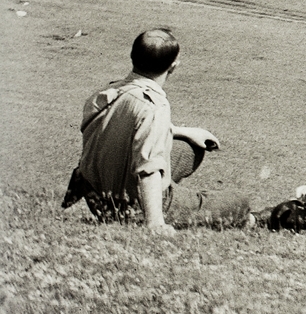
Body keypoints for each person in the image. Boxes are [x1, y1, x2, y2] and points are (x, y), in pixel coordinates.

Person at [61, 27, 237, 232]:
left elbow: (125, 127)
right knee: (237, 201)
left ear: (132, 56)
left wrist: (183, 132)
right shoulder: (154, 107)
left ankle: (166, 193)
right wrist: (155, 223)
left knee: (188, 148)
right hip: (129, 206)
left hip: (97, 197)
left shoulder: (105, 93)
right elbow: (149, 167)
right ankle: (168, 204)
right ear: (173, 67)